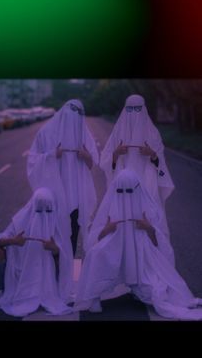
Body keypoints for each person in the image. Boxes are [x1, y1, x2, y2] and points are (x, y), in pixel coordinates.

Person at [74, 169, 202, 320]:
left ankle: (137, 288)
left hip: (142, 264)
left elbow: (160, 248)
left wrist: (148, 228)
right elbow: (92, 243)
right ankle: (94, 295)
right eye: (120, 191)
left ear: (137, 189)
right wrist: (107, 230)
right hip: (115, 258)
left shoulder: (148, 210)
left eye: (129, 191)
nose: (125, 196)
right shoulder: (110, 208)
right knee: (96, 254)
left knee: (156, 294)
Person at [0, 188, 73, 317]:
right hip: (19, 272)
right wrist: (13, 241)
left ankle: (49, 292)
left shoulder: (56, 224)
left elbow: (66, 258)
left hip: (47, 276)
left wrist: (54, 249)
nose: (43, 215)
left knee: (60, 258)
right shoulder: (21, 221)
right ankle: (1, 290)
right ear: (32, 207)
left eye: (48, 210)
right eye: (38, 210)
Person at [100, 94, 174, 247]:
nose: (134, 114)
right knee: (121, 224)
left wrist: (152, 154)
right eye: (130, 109)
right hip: (122, 188)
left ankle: (149, 260)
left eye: (138, 109)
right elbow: (105, 161)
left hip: (148, 186)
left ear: (144, 110)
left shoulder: (153, 134)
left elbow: (161, 166)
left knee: (147, 225)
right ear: (125, 110)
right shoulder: (117, 133)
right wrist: (116, 153)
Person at [27, 99, 99, 255]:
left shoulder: (83, 132)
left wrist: (86, 156)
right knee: (52, 235)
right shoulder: (45, 133)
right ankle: (52, 273)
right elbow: (32, 161)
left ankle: (67, 272)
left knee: (72, 234)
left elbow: (93, 162)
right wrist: (52, 155)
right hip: (54, 193)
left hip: (77, 194)